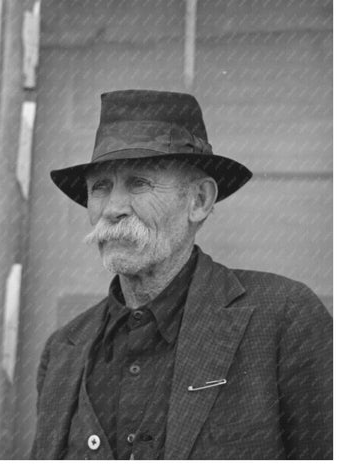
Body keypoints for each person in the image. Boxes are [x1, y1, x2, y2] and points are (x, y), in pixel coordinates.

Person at [30, 89, 332, 460]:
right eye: (101, 187)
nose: (113, 208)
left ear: (199, 201)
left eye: (139, 183)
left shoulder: (284, 318)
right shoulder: (62, 351)